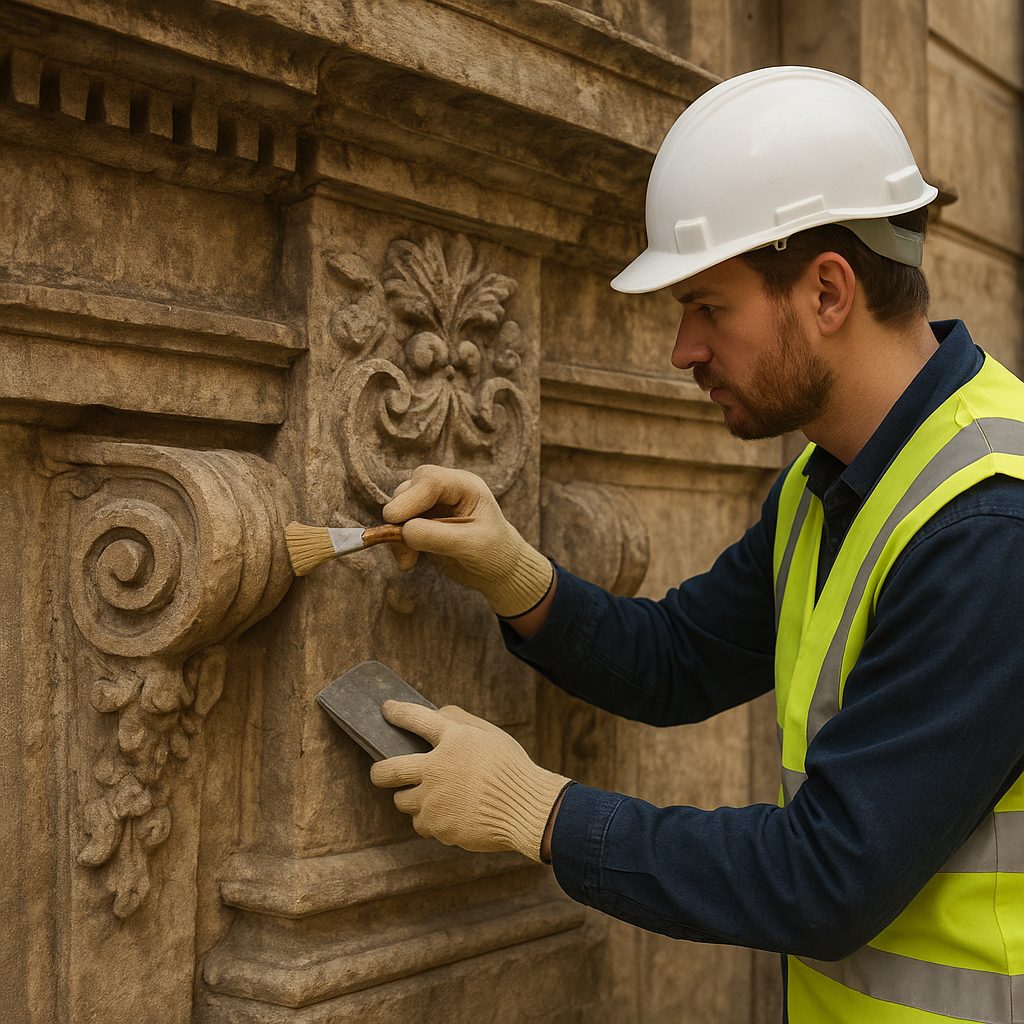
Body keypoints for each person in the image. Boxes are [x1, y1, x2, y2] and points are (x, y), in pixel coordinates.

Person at [369, 66, 1024, 1023]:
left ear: (828, 291)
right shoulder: (829, 482)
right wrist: (517, 576)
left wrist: (538, 812)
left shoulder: (989, 526)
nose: (683, 350)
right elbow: (678, 662)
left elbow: (828, 876)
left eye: (708, 306)